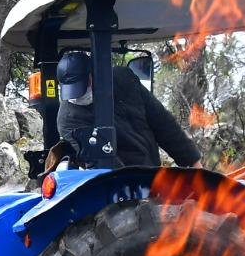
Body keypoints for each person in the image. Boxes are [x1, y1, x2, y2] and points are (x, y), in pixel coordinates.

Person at [54, 51, 203, 169]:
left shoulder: (124, 79)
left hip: (151, 169)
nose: (78, 96)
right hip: (116, 187)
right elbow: (101, 162)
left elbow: (163, 123)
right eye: (73, 92)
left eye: (83, 87)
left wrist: (192, 162)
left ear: (95, 74)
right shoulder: (68, 120)